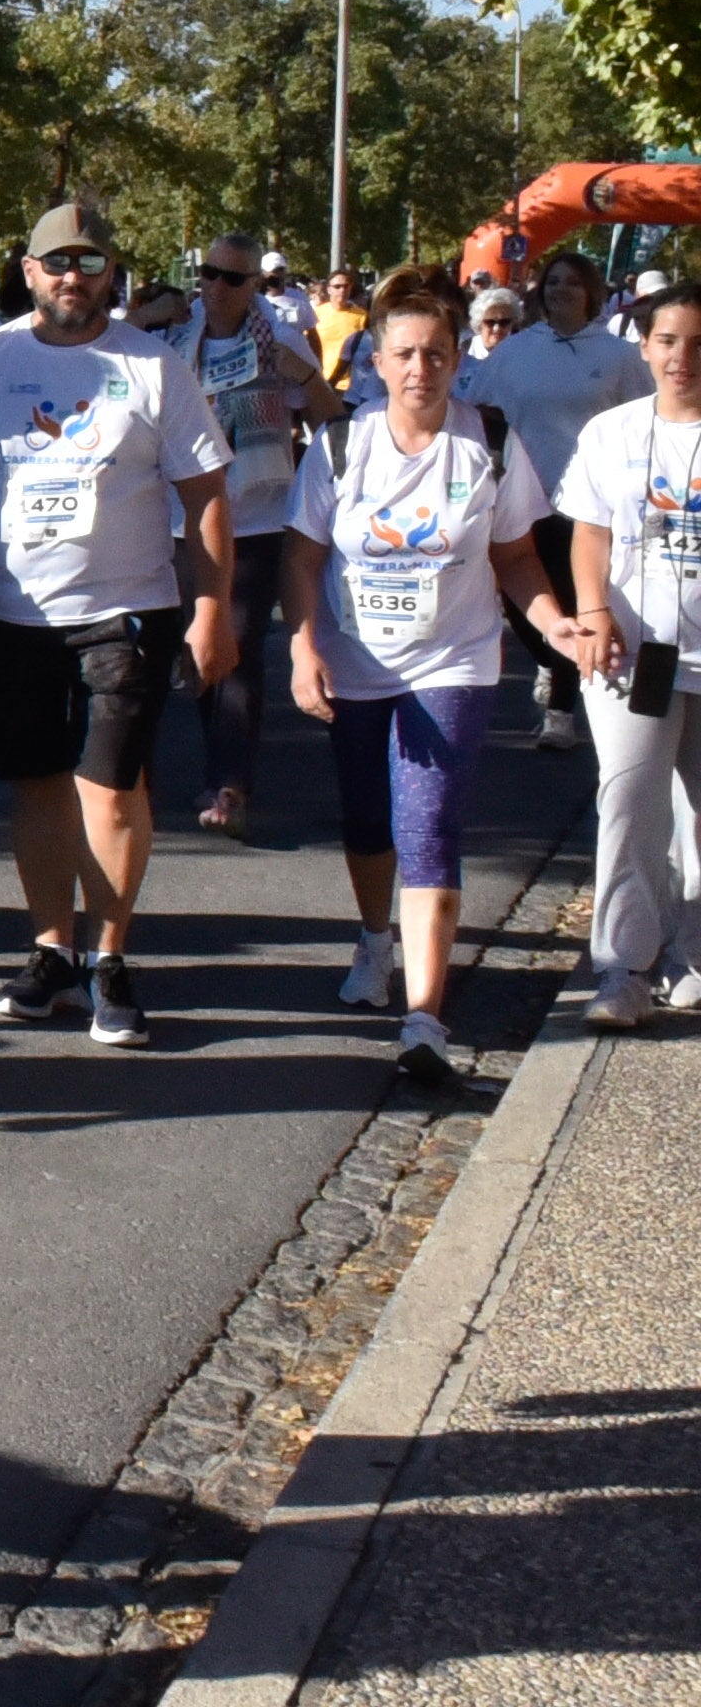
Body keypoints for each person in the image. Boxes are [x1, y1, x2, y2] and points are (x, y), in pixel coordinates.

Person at [0, 204, 235, 1052]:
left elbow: (206, 494)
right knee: (34, 783)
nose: (74, 277)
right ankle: (51, 951)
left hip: (125, 610)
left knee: (110, 785)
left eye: (91, 262)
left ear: (114, 274)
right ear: (28, 272)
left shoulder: (151, 367)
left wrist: (211, 609)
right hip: (10, 608)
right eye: (57, 262)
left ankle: (110, 958)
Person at [288, 270, 557, 1083]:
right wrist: (304, 648)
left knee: (429, 826)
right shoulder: (344, 444)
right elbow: (302, 558)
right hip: (357, 659)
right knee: (369, 821)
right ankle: (376, 938)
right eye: (404, 353)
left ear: (458, 357)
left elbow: (517, 559)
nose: (420, 369)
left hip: (455, 659)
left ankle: (425, 1017)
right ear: (374, 360)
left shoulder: (491, 445)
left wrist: (554, 624)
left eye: (436, 354)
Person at [549, 283, 701, 1030]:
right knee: (630, 802)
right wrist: (593, 610)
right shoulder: (613, 433)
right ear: (644, 347)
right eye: (669, 342)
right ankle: (622, 969)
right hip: (633, 657)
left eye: (698, 344)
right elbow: (588, 532)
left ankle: (694, 957)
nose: (682, 358)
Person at [169, 232, 328, 838]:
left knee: (235, 643)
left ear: (254, 286)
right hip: (187, 519)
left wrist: (306, 383)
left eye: (232, 278)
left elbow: (328, 418)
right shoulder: (181, 343)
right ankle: (219, 769)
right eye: (208, 273)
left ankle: (231, 782)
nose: (216, 287)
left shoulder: (281, 341)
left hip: (258, 516)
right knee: (204, 648)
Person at [459, 249, 647, 750]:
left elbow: (643, 420)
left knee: (568, 597)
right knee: (518, 602)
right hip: (519, 494)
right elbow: (477, 408)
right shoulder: (515, 351)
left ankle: (561, 711)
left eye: (572, 283)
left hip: (584, 503)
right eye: (553, 282)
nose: (561, 290)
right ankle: (550, 658)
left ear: (591, 293)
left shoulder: (618, 356)